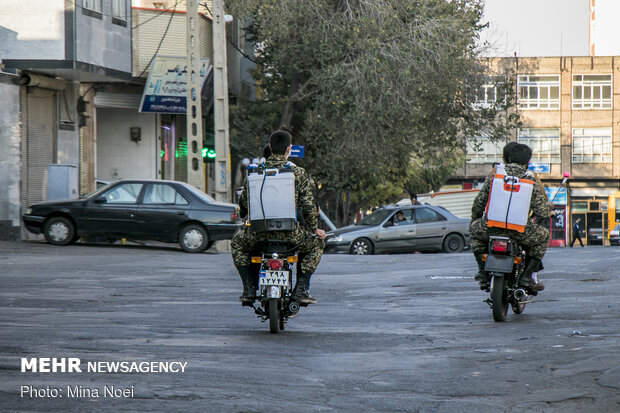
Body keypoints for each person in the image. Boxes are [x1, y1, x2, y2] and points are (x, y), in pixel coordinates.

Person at [231, 130, 326, 305]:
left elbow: (244, 203)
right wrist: (314, 229)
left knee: (237, 243)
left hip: (258, 233)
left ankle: (249, 289)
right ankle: (300, 289)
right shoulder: (297, 172)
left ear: (270, 147)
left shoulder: (254, 172)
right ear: (288, 149)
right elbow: (308, 206)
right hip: (290, 233)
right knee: (317, 243)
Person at [470, 143, 551, 293]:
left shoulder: (495, 175)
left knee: (474, 233)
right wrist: (548, 209)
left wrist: (475, 218)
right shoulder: (530, 180)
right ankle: (527, 277)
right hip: (518, 232)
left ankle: (482, 271)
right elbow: (542, 211)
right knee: (544, 236)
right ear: (527, 163)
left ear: (508, 158)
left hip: (490, 228)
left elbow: (479, 202)